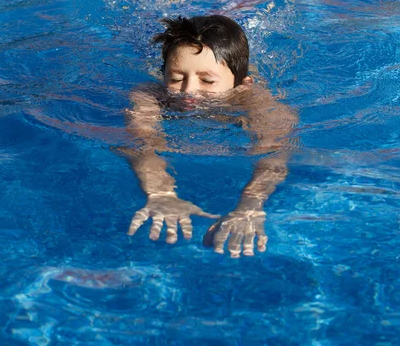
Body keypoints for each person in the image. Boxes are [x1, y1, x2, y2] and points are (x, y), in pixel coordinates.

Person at [121, 15, 296, 258]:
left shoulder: (254, 100)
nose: (188, 91)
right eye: (176, 78)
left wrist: (251, 204)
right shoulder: (150, 95)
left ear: (243, 85)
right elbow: (142, 142)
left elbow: (275, 151)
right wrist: (160, 192)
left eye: (207, 80)